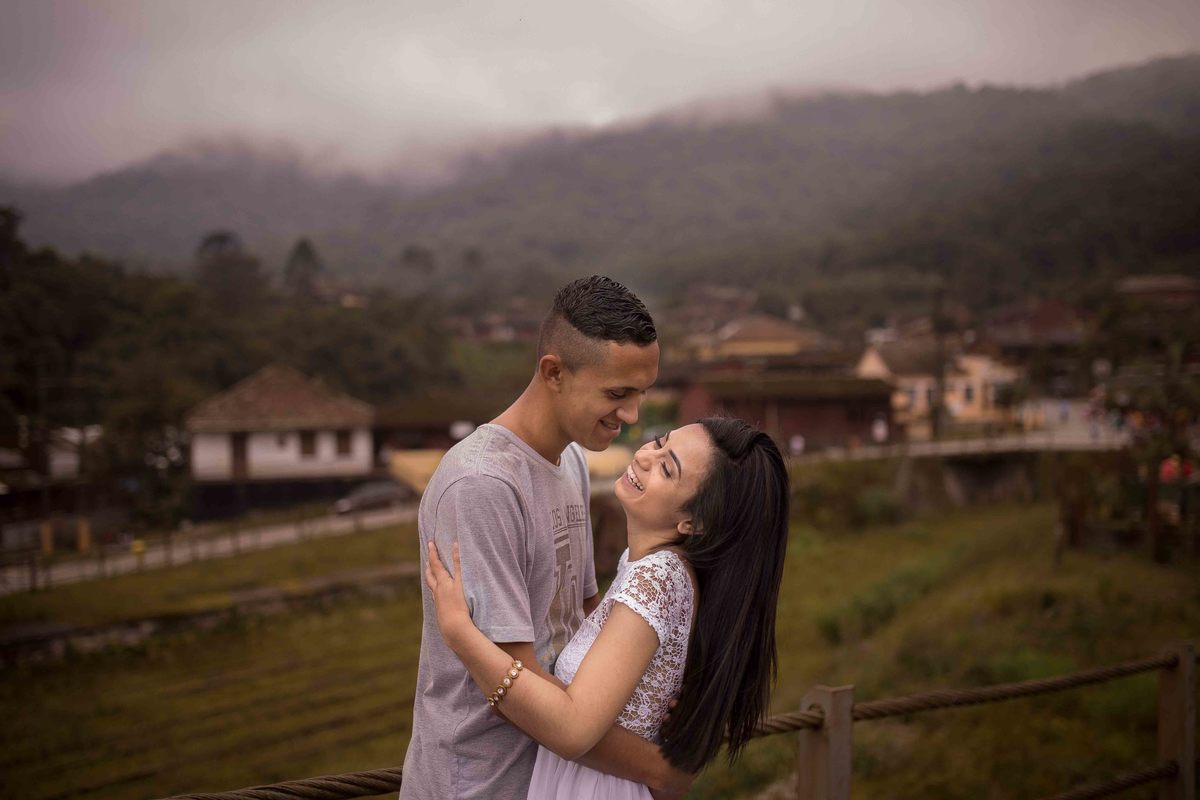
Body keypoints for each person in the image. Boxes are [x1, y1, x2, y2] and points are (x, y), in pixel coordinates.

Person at [401, 276, 690, 799]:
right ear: (554, 372)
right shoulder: (483, 485)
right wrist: (655, 766)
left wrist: (646, 692)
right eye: (617, 394)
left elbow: (583, 617)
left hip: (558, 778)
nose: (632, 416)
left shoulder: (570, 459)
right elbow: (514, 681)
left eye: (641, 394)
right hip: (483, 785)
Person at [425, 417, 790, 798]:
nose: (646, 457)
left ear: (693, 522)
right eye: (659, 443)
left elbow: (572, 729)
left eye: (667, 469)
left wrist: (460, 634)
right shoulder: (649, 567)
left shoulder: (656, 579)